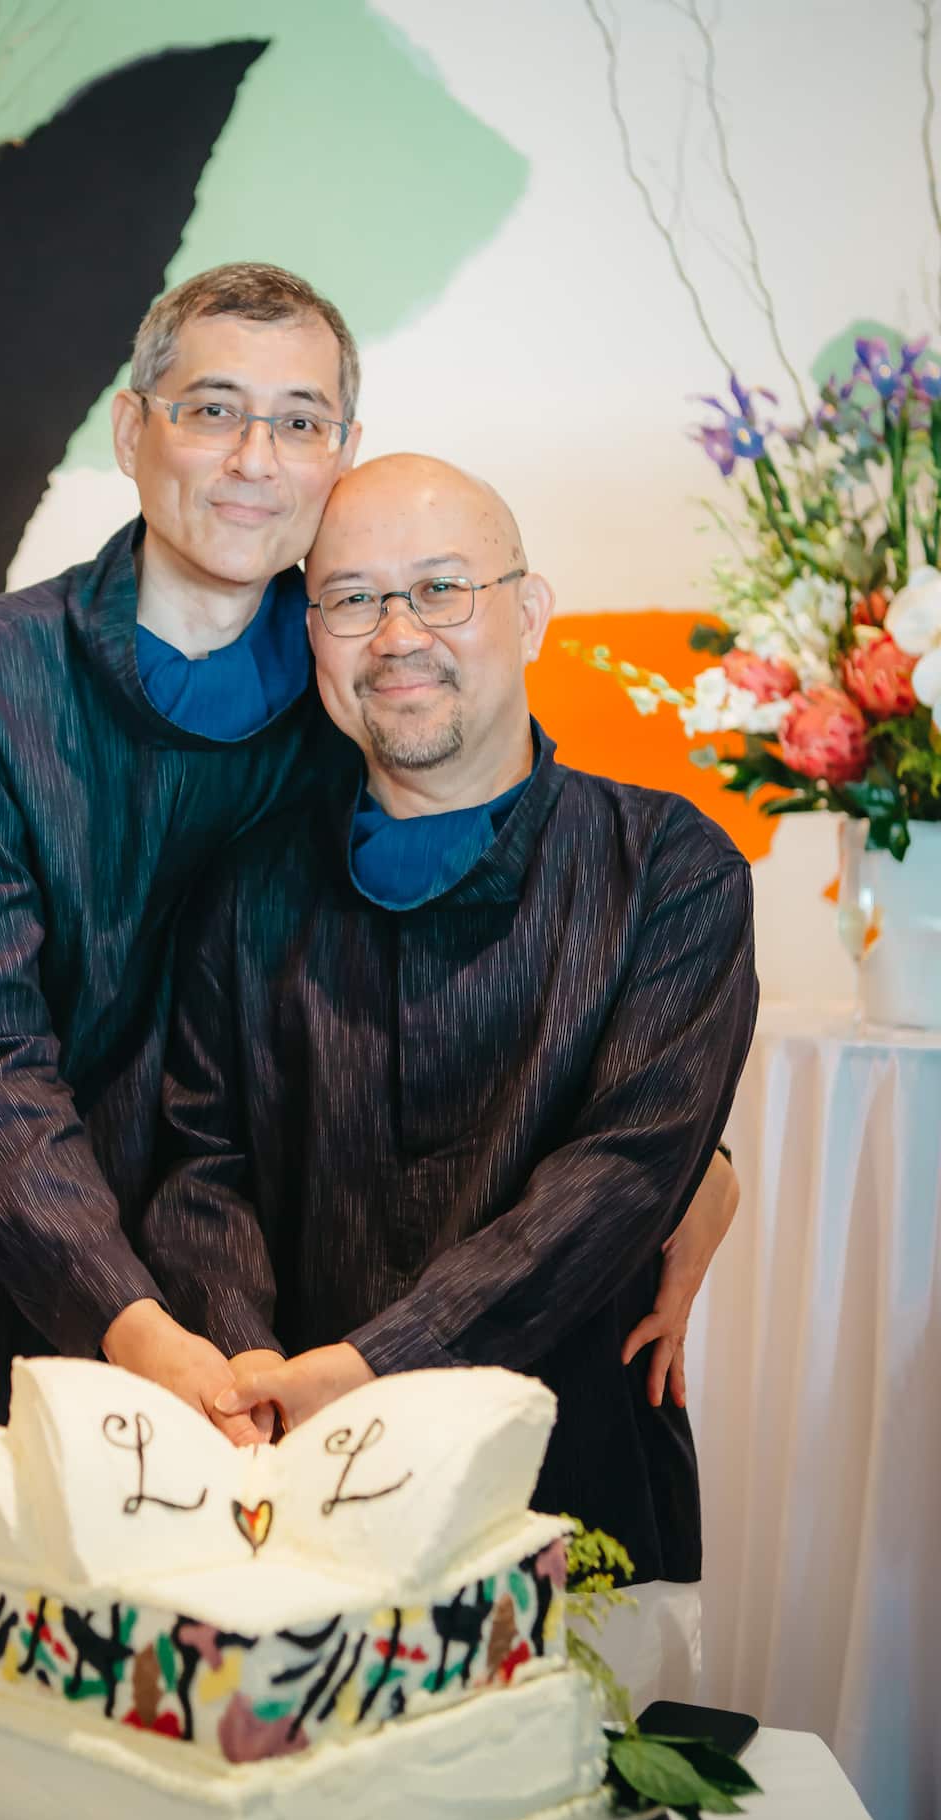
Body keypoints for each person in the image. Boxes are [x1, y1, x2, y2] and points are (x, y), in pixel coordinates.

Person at [0, 264, 735, 1704]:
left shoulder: (364, 675)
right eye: (214, 410)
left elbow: (517, 971)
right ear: (133, 430)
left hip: (248, 1377)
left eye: (300, 422)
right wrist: (152, 1330)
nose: (255, 459)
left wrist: (697, 1162)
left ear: (341, 455)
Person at [142, 454, 758, 1707]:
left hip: (578, 1502)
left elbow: (625, 1173)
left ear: (528, 613)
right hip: (291, 1513)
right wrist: (260, 1385)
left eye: (439, 588)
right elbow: (197, 1166)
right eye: (352, 599)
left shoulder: (670, 870)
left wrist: (370, 1365)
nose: (397, 636)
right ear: (307, 634)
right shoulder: (246, 887)